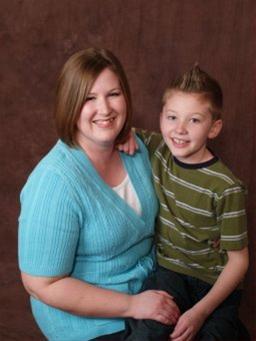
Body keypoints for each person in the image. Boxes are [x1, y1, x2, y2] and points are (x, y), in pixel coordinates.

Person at [18, 48, 181, 341]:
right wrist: (133, 305)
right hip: (92, 324)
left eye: (113, 94)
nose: (105, 109)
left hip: (152, 291)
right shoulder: (54, 183)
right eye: (89, 98)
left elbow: (184, 141)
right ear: (70, 105)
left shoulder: (136, 148)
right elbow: (41, 284)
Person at [120, 65, 249, 340]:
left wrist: (201, 311)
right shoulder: (156, 149)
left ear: (214, 128)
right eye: (172, 117)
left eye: (194, 120)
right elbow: (121, 130)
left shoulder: (226, 188)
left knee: (211, 334)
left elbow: (239, 262)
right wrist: (126, 134)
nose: (179, 129)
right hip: (170, 271)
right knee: (148, 330)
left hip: (214, 285)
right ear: (161, 118)